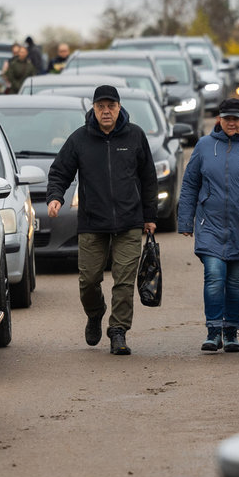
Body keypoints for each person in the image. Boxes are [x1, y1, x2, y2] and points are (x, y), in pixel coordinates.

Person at [46, 85, 157, 355]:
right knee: (88, 280)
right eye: (100, 107)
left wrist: (150, 216)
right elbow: (60, 172)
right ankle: (95, 313)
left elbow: (148, 177)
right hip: (92, 222)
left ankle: (118, 330)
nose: (106, 111)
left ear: (119, 107)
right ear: (93, 109)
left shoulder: (135, 136)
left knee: (124, 281)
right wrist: (55, 197)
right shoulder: (79, 139)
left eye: (111, 106)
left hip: (129, 221)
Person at [177, 97, 239, 353]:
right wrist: (185, 219)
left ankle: (231, 331)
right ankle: (213, 331)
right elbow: (190, 184)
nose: (231, 123)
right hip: (210, 226)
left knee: (235, 282)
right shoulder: (204, 146)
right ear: (218, 120)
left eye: (236, 118)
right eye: (227, 119)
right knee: (214, 276)